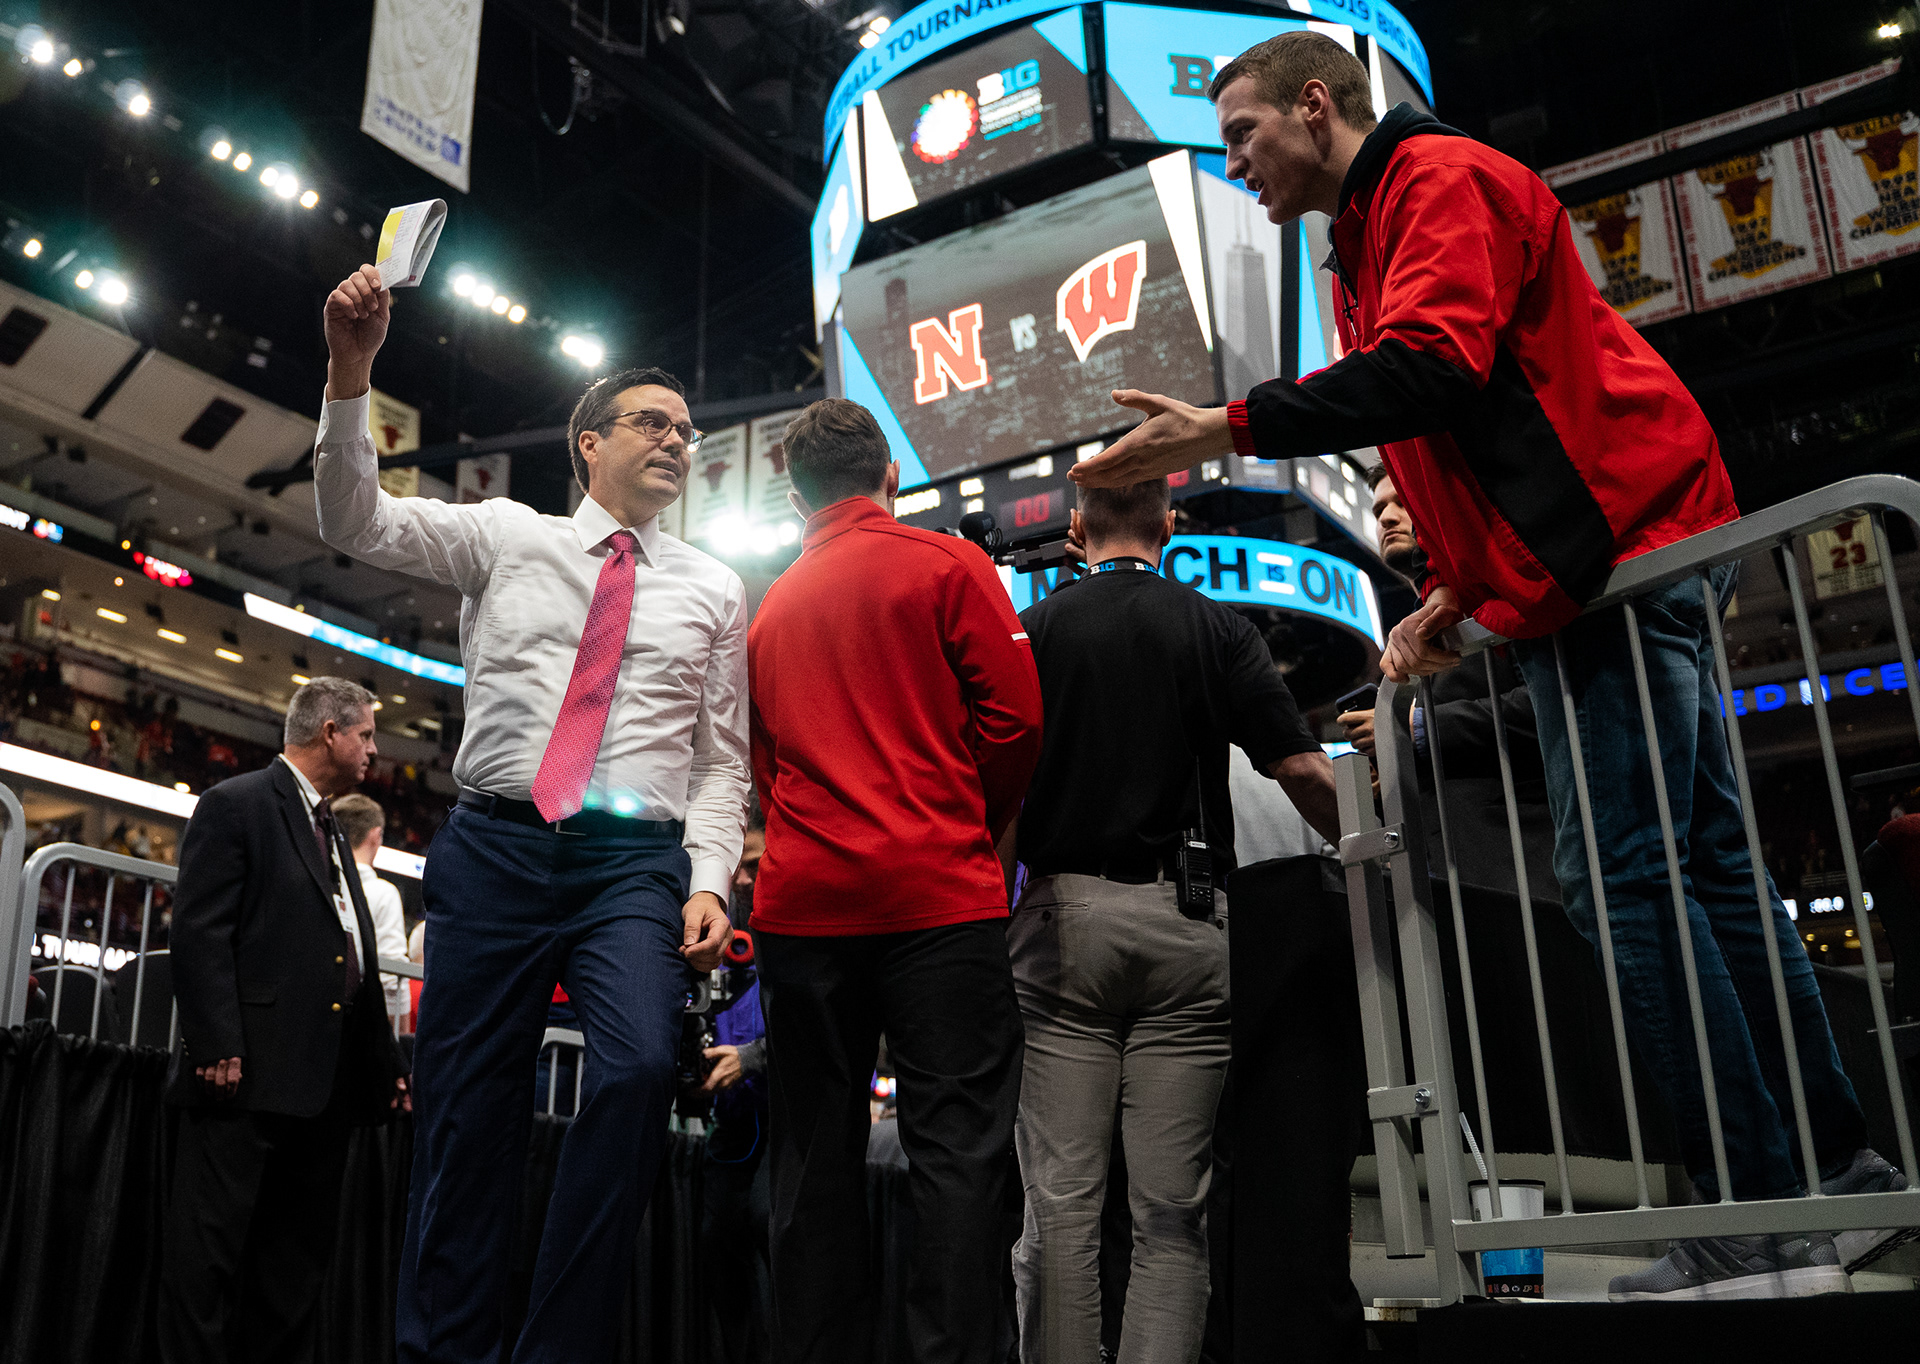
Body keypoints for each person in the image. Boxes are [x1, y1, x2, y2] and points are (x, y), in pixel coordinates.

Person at [1069, 31, 1907, 1296]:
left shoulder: (1432, 181)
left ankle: (1754, 1210)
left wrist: (1228, 423)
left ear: (1314, 106)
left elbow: (1433, 370)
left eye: (1241, 131)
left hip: (1623, 555)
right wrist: (1458, 589)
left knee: (1630, 881)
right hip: (1617, 551)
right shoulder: (1363, 233)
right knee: (1708, 872)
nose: (1232, 158)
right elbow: (1480, 419)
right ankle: (1827, 1181)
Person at [315, 264, 749, 1362]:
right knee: (467, 1111)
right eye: (652, 422)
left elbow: (720, 761)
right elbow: (350, 516)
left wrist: (708, 878)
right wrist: (352, 372)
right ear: (587, 443)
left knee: (644, 1065)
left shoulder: (713, 586)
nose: (678, 441)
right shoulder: (505, 536)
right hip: (500, 846)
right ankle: (446, 1350)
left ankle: (555, 1349)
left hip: (631, 865)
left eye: (688, 431)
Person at [1009, 476, 1338, 1363]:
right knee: (1171, 1212)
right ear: (1170, 523)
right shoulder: (1216, 626)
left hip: (1062, 924)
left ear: (1075, 529)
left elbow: (994, 796)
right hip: (1188, 924)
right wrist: (1370, 851)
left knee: (1063, 1206)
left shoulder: (1031, 632)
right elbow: (1304, 774)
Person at [746, 397, 1044, 1364]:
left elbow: (766, 770)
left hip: (804, 908)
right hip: (935, 900)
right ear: (889, 478)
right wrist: (969, 820)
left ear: (796, 496)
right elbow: (1017, 725)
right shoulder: (948, 563)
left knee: (813, 1164)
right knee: (956, 1159)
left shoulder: (771, 609)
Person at [159, 677, 410, 1364]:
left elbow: (348, 953)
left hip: (320, 1088)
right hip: (242, 1077)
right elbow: (200, 930)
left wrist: (385, 1067)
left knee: (293, 1269)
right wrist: (216, 1042)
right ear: (329, 732)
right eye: (364, 734)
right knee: (208, 1261)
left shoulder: (328, 822)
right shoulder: (236, 803)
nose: (374, 750)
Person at [1338, 467, 1555, 902]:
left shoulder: (1496, 599)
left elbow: (1548, 707)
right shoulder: (1405, 640)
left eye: (1400, 503)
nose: (1385, 517)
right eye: (1379, 508)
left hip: (1522, 871)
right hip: (1439, 881)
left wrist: (1411, 728)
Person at [329, 792, 413, 1032]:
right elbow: (391, 976)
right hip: (360, 1024)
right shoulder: (383, 893)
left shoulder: (317, 881)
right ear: (376, 835)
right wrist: (400, 1036)